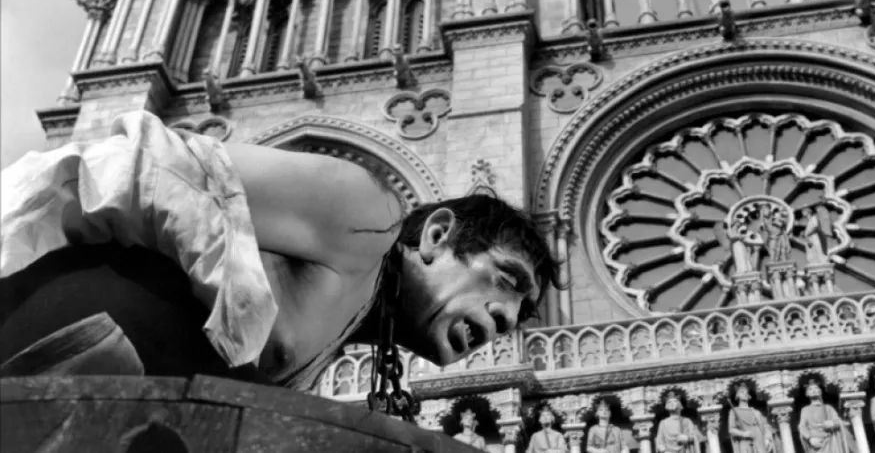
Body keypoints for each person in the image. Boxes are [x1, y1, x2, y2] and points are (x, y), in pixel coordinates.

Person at [0, 111, 556, 392]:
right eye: (508, 279)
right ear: (436, 236)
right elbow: (146, 167)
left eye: (517, 318)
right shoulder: (367, 216)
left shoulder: (345, 329)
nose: (506, 318)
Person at [798, 379, 852, 453]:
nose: (813, 390)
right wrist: (810, 438)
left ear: (820, 391)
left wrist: (832, 424)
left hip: (830, 441)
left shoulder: (828, 408)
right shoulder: (805, 410)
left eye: (816, 388)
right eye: (810, 389)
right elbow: (802, 426)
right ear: (807, 394)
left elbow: (838, 422)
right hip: (816, 443)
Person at [727, 382, 776, 453]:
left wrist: (767, 438)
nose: (745, 394)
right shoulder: (734, 411)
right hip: (745, 441)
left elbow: (765, 427)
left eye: (746, 392)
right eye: (742, 392)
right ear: (737, 395)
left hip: (759, 440)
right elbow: (731, 430)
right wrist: (743, 434)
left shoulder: (756, 412)